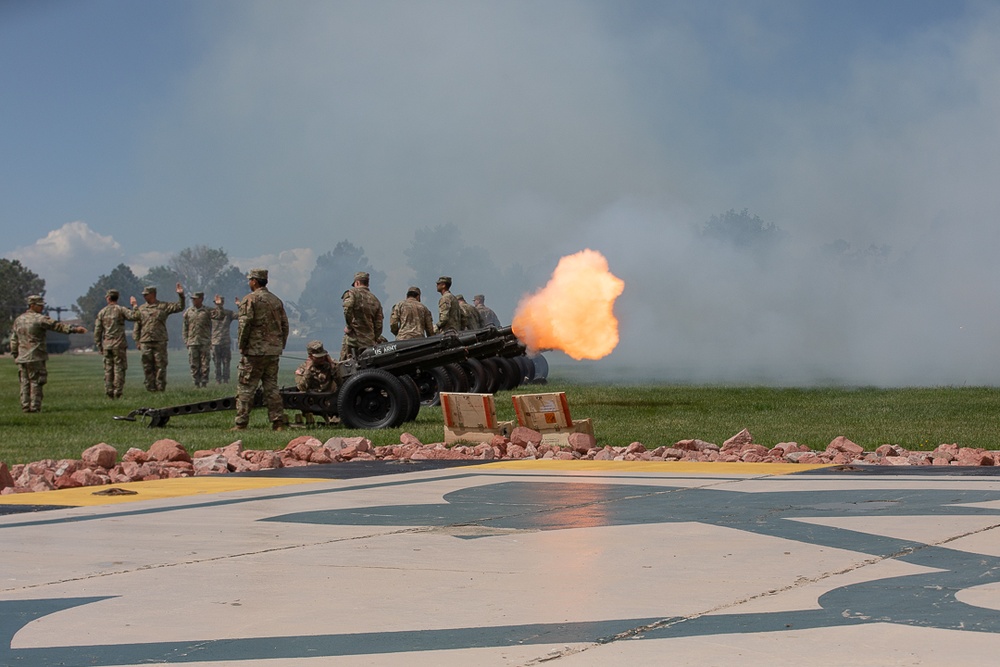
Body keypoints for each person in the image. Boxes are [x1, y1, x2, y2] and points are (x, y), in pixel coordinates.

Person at [232, 268, 289, 431]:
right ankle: (278, 422)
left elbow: (244, 324)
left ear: (254, 281)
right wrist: (280, 344)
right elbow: (285, 325)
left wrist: (242, 345)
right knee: (271, 387)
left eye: (250, 280)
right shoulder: (276, 300)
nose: (249, 282)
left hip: (254, 351)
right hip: (273, 351)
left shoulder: (250, 300)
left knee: (246, 386)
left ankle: (241, 423)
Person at [9, 295, 87, 413]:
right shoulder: (40, 319)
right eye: (40, 305)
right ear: (32, 305)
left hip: (22, 356)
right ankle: (35, 407)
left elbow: (14, 339)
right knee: (36, 381)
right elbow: (57, 326)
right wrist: (74, 329)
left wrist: (15, 353)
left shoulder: (18, 320)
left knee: (24, 382)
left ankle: (25, 406)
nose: (42, 307)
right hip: (36, 355)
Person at [130, 284, 185, 392]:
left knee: (161, 366)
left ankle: (160, 388)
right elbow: (137, 326)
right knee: (147, 366)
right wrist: (137, 340)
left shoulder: (163, 306)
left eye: (147, 295)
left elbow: (180, 307)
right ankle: (150, 388)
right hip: (145, 341)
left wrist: (181, 296)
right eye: (144, 295)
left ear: (153, 294)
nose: (144, 297)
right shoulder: (141, 309)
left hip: (160, 341)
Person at [93, 288, 138, 398]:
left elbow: (97, 331)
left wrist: (99, 346)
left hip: (107, 345)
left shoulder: (102, 312)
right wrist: (134, 305)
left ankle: (109, 391)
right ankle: (117, 391)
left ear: (108, 298)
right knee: (119, 368)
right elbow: (135, 316)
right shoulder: (121, 310)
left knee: (108, 369)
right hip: (119, 344)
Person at [342, 271, 383, 359]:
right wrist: (373, 338)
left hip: (353, 340)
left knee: (346, 366)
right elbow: (379, 325)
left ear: (357, 282)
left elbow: (347, 309)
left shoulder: (352, 293)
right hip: (369, 343)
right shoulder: (375, 300)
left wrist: (349, 326)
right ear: (367, 284)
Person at [182, 291, 212, 387]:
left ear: (201, 299)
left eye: (196, 299)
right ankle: (196, 382)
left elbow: (219, 315)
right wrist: (186, 340)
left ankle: (204, 382)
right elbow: (185, 327)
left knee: (205, 363)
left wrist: (219, 305)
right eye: (193, 299)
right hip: (192, 342)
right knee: (194, 363)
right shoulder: (188, 312)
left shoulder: (207, 311)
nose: (194, 301)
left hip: (204, 341)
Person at [210, 294, 236, 384]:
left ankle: (225, 379)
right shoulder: (211, 313)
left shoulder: (228, 313)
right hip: (215, 342)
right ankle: (218, 380)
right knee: (217, 362)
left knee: (226, 362)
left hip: (225, 341)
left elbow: (240, 316)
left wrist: (240, 306)